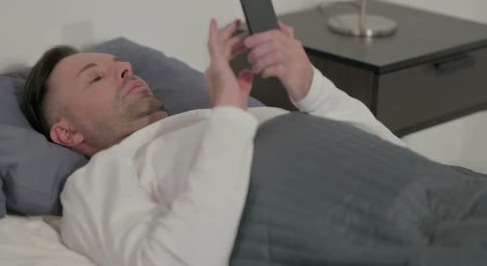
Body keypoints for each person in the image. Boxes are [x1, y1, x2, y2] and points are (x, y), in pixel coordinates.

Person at [23, 19, 408, 265]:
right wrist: (228, 117)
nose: (125, 68)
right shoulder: (96, 182)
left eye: (118, 63)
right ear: (67, 133)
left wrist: (309, 86)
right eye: (95, 78)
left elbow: (394, 156)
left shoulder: (208, 122)